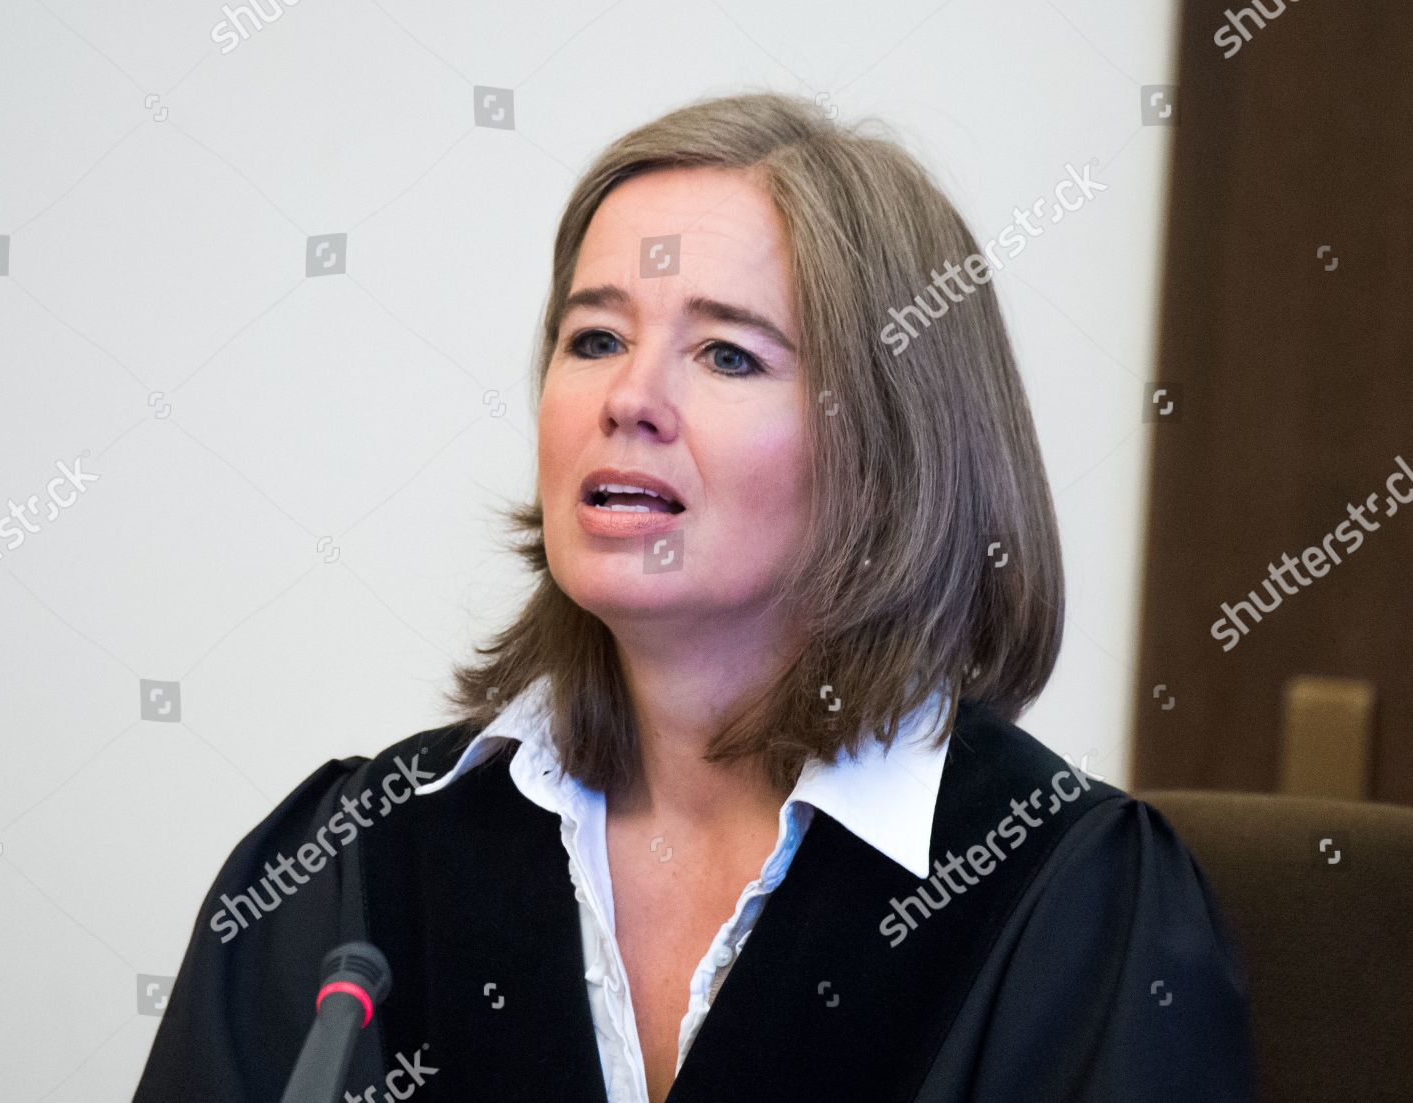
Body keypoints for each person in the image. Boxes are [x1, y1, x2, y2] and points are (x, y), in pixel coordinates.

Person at [132, 90, 1255, 1103]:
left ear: (889, 446)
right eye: (596, 336)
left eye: (726, 355)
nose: (629, 396)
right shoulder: (353, 864)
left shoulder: (1066, 903)